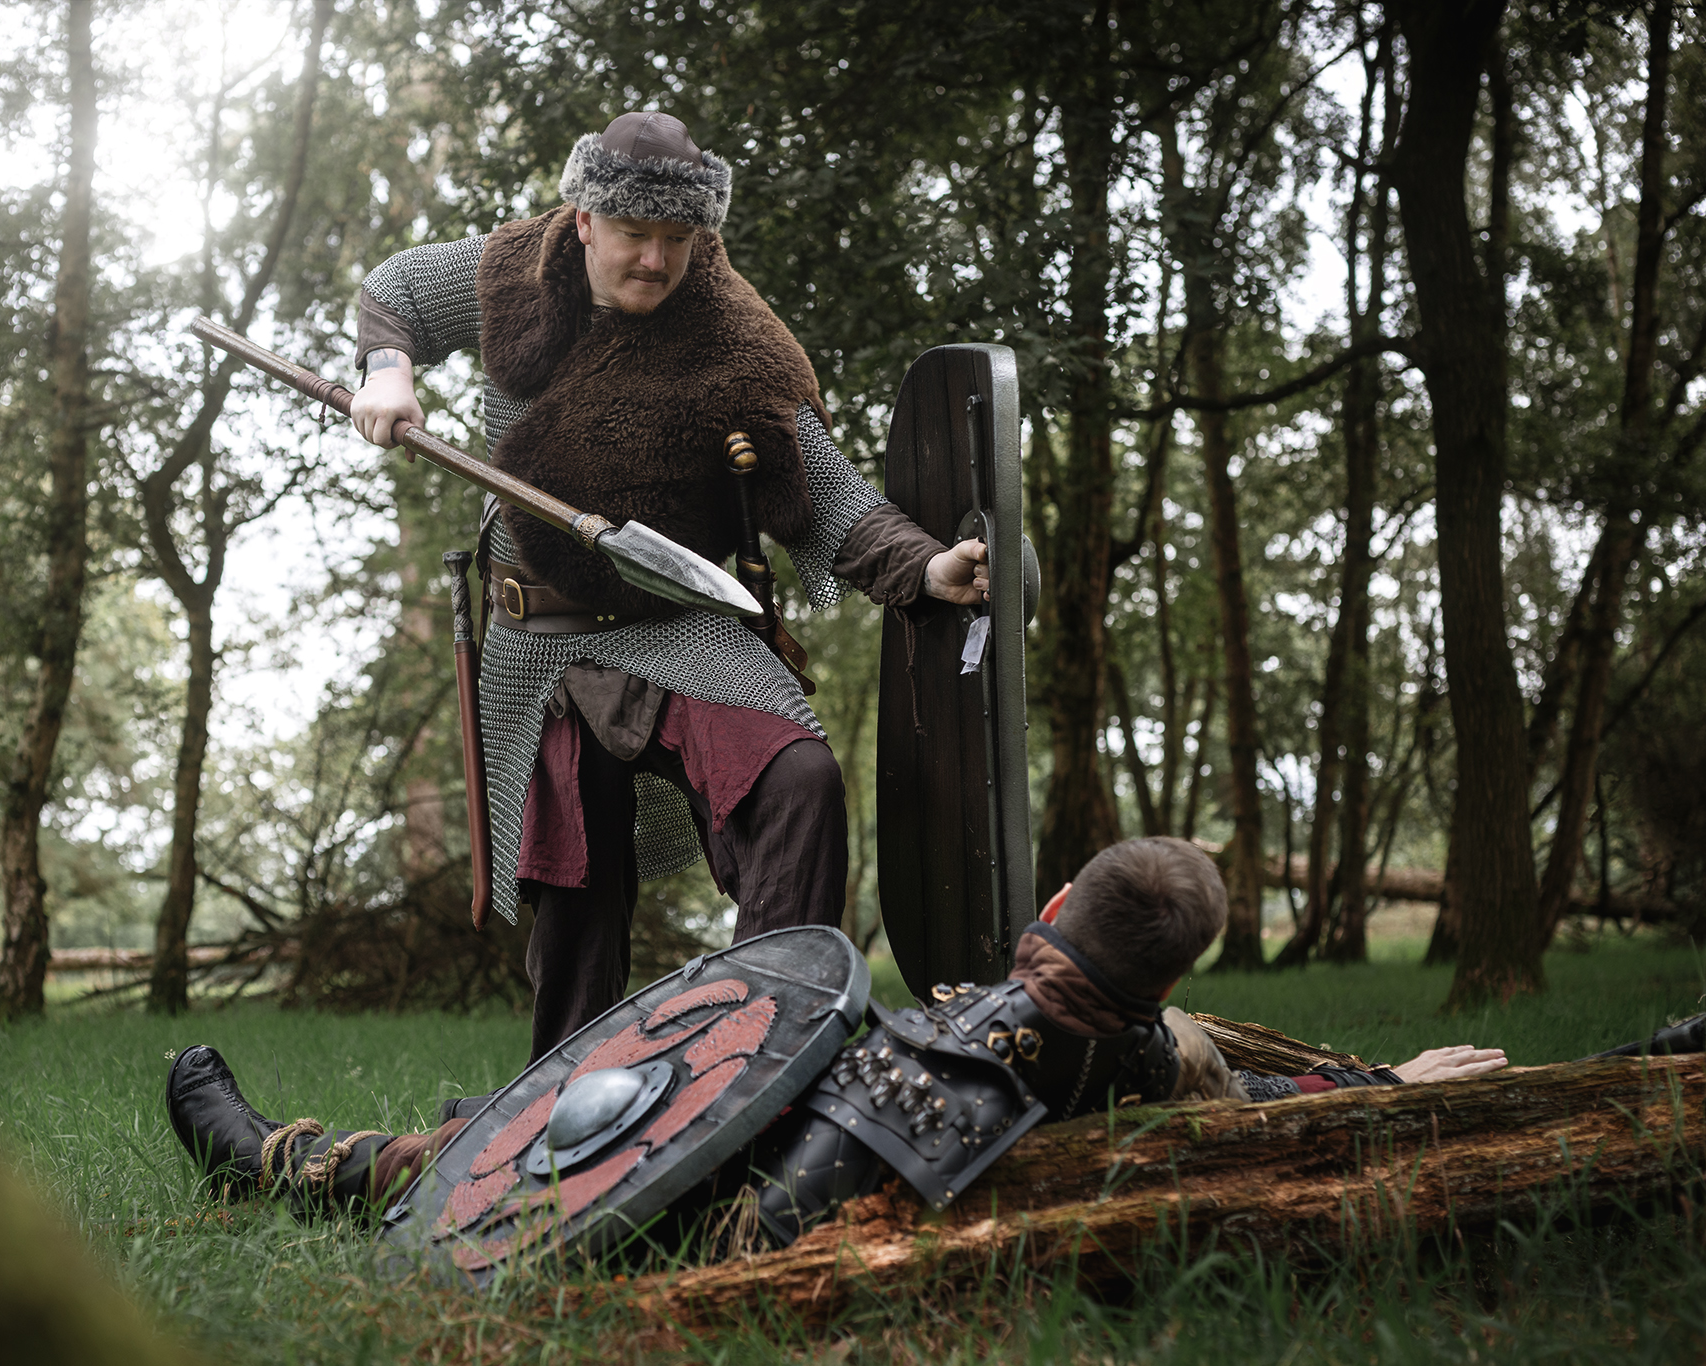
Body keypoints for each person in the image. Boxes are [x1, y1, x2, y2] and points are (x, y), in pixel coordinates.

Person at [346, 110, 986, 1062]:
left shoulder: (738, 338)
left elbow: (827, 497)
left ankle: (768, 1054)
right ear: (583, 221)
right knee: (576, 901)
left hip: (676, 623)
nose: (654, 259)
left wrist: (927, 567)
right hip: (537, 641)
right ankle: (560, 1117)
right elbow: (396, 288)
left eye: (677, 239)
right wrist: (388, 372)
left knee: (798, 780)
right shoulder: (512, 270)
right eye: (634, 234)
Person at [164, 838, 1545, 1241]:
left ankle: (284, 1160)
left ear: (1051, 911)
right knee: (530, 1111)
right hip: (773, 1145)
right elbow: (1255, 1083)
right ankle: (312, 1157)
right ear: (1169, 980)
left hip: (715, 1208)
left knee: (501, 1139)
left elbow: (757, 1231)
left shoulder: (957, 1054)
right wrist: (1387, 1081)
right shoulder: (1154, 1057)